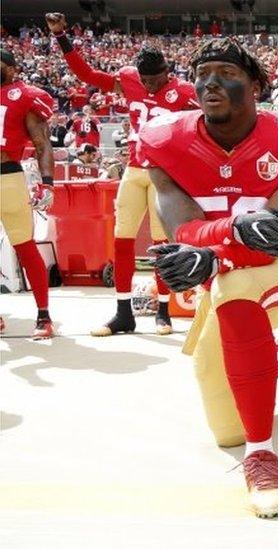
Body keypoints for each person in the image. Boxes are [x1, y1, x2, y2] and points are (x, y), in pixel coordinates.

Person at [141, 37, 278, 518]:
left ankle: (262, 455)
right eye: (202, 73)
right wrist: (228, 235)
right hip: (220, 283)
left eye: (226, 72)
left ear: (257, 85)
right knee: (227, 429)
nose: (210, 82)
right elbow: (181, 226)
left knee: (239, 292)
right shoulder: (165, 137)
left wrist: (213, 250)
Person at [46, 12, 199, 337]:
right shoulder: (129, 78)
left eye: (154, 81)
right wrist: (61, 36)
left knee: (162, 244)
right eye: (144, 80)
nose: (147, 86)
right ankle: (123, 312)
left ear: (167, 74)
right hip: (133, 168)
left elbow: (207, 126)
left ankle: (163, 310)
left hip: (164, 176)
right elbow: (86, 73)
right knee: (122, 238)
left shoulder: (183, 91)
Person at [0, 48, 56, 339]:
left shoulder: (23, 95)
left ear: (11, 68)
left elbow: (42, 143)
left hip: (7, 175)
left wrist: (47, 182)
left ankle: (43, 315)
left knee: (24, 246)